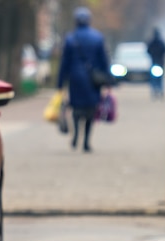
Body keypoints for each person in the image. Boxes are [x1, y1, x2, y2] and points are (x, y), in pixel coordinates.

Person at [57, 7, 110, 153]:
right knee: (91, 110)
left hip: (75, 79)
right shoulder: (98, 37)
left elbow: (64, 63)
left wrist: (60, 83)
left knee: (76, 108)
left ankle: (75, 137)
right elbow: (104, 61)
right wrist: (107, 80)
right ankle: (86, 141)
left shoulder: (70, 39)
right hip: (93, 80)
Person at [146, 27, 165, 99]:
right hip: (158, 63)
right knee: (158, 79)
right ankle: (158, 90)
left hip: (156, 62)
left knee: (155, 79)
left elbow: (148, 51)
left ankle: (157, 90)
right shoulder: (159, 42)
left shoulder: (153, 42)